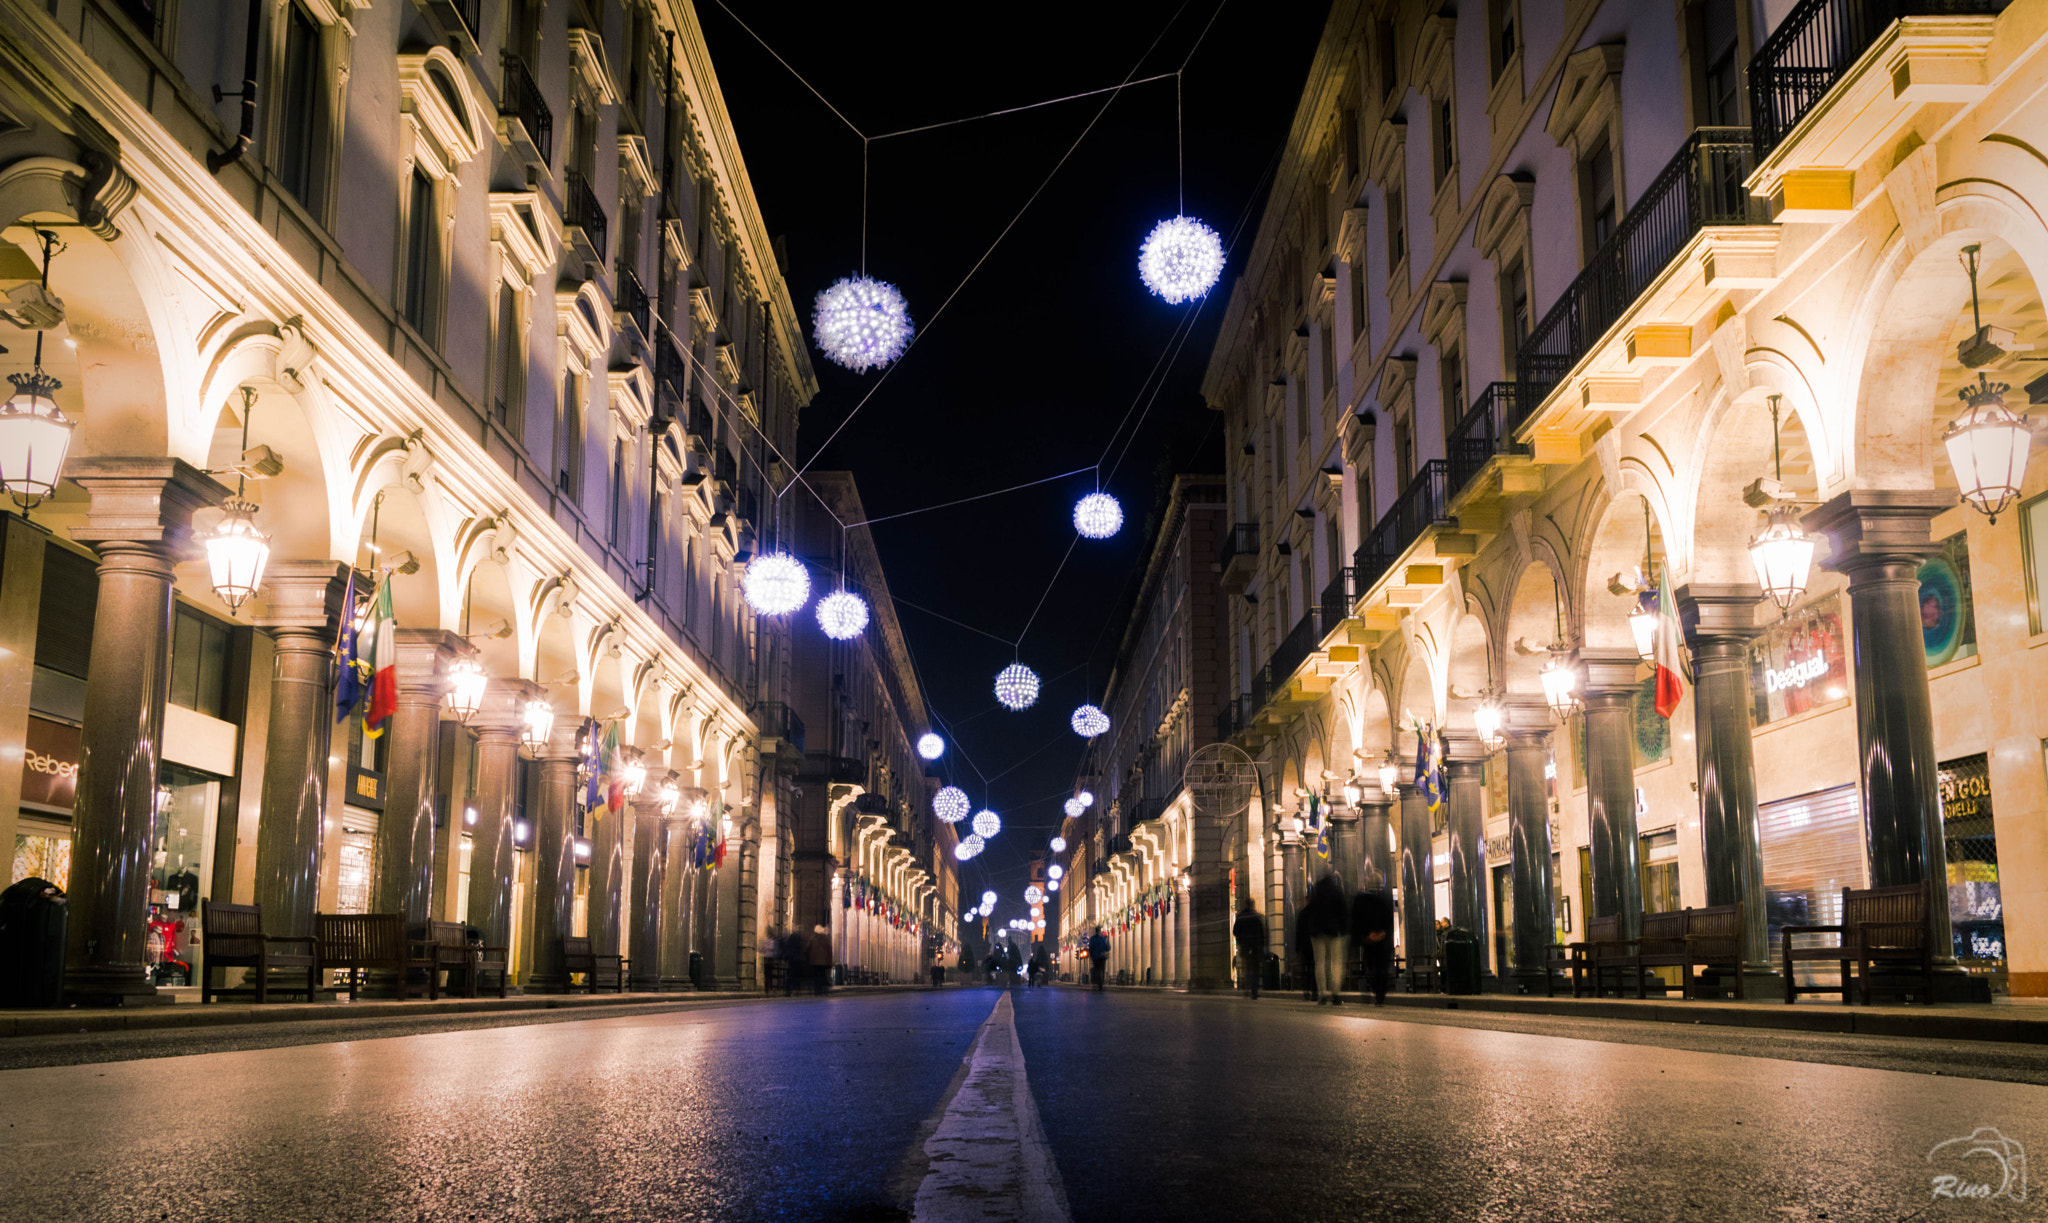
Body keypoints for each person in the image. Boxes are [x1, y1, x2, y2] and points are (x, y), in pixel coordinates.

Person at [1304, 870, 1350, 1005]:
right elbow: (1344, 913)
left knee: (1320, 963)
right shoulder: (1337, 892)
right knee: (1336, 963)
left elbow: (1309, 913)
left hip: (1318, 933)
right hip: (1334, 932)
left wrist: (1311, 930)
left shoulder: (1315, 895)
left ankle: (1322, 993)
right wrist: (1343, 929)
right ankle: (1335, 993)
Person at [1352, 884, 1396, 1005]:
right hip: (1382, 939)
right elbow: (1389, 919)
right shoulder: (1386, 898)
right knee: (1382, 967)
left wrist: (1365, 936)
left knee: (1371, 967)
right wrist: (1383, 932)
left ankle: (1376, 990)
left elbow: (1357, 920)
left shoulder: (1362, 900)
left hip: (1369, 940)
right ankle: (1380, 994)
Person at [1232, 902, 1266, 999]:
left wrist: (1240, 940)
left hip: (1245, 946)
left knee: (1247, 967)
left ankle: (1247, 988)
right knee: (1254, 968)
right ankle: (1254, 991)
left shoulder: (1241, 916)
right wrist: (1261, 945)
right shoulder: (1256, 916)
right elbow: (1261, 932)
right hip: (1255, 946)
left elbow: (1235, 931)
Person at [806, 924, 833, 995]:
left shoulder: (812, 939)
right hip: (823, 962)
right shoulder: (825, 939)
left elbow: (807, 949)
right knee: (822, 976)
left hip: (814, 962)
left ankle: (817, 991)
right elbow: (829, 950)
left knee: (816, 977)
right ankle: (823, 990)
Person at [1087, 926, 1110, 991]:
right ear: (1099, 931)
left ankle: (1097, 982)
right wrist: (1107, 940)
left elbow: (1091, 948)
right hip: (1102, 957)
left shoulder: (1092, 939)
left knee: (1097, 970)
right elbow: (1107, 948)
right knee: (1102, 970)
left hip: (1095, 957)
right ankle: (1101, 983)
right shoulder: (1103, 939)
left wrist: (1091, 956)